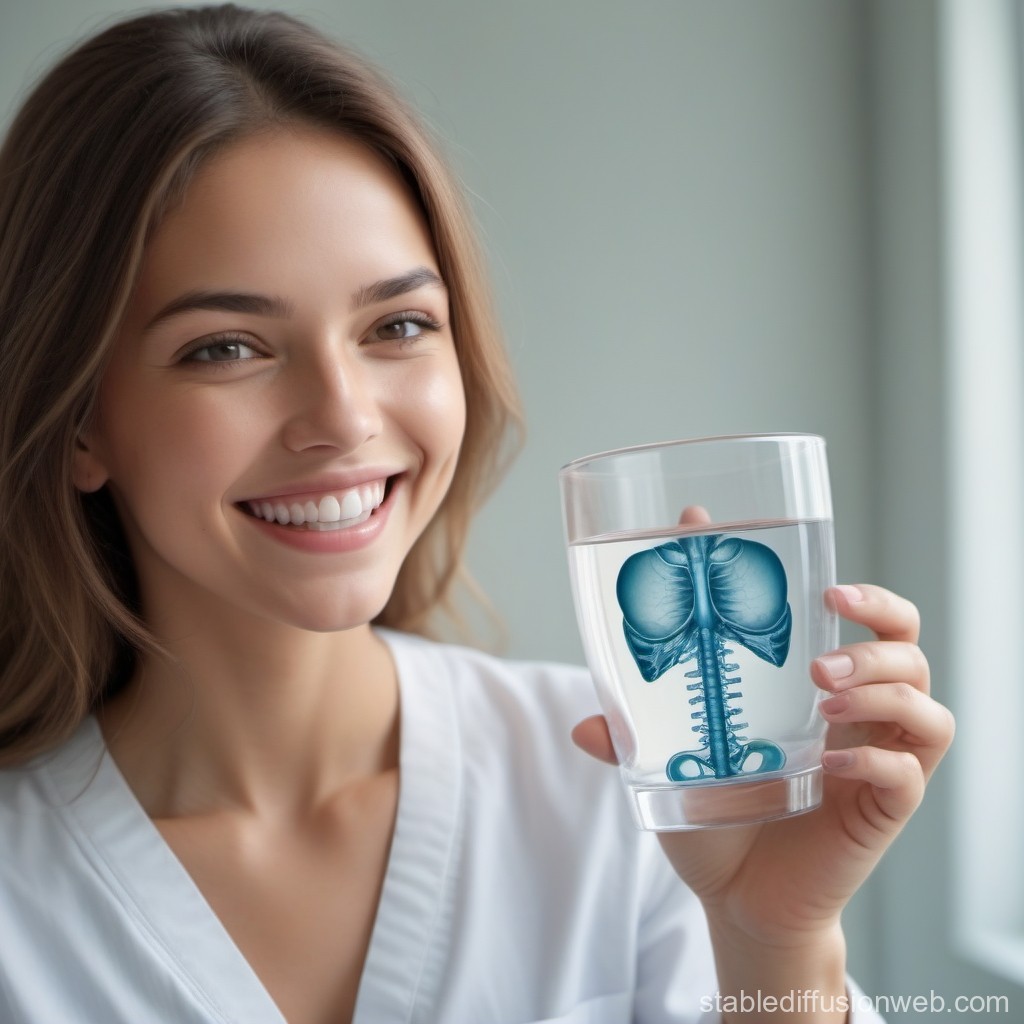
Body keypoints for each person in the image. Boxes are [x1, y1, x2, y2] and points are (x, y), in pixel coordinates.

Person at [0, 6, 953, 1023]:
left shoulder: (623, 783)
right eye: (227, 346)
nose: (343, 417)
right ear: (77, 422)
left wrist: (774, 940)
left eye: (397, 325)